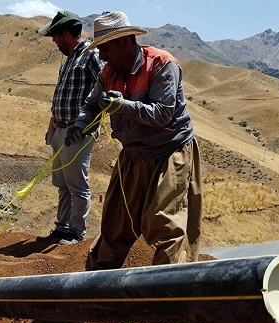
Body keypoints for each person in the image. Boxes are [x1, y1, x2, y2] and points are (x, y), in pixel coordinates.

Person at [64, 11, 202, 268]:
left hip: (169, 154)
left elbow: (162, 114)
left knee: (167, 227)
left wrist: (122, 106)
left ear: (124, 42)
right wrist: (81, 124)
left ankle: (166, 296)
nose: (102, 55)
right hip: (132, 156)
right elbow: (93, 105)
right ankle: (94, 292)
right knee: (115, 226)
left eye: (105, 48)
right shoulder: (108, 72)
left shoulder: (162, 64)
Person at [35, 11, 104, 245]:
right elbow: (61, 96)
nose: (54, 41)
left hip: (79, 132)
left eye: (55, 36)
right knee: (62, 183)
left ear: (65, 34)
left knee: (76, 184)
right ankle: (62, 227)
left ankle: (77, 232)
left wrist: (84, 124)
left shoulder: (91, 55)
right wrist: (52, 126)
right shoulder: (69, 59)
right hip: (60, 130)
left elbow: (105, 91)